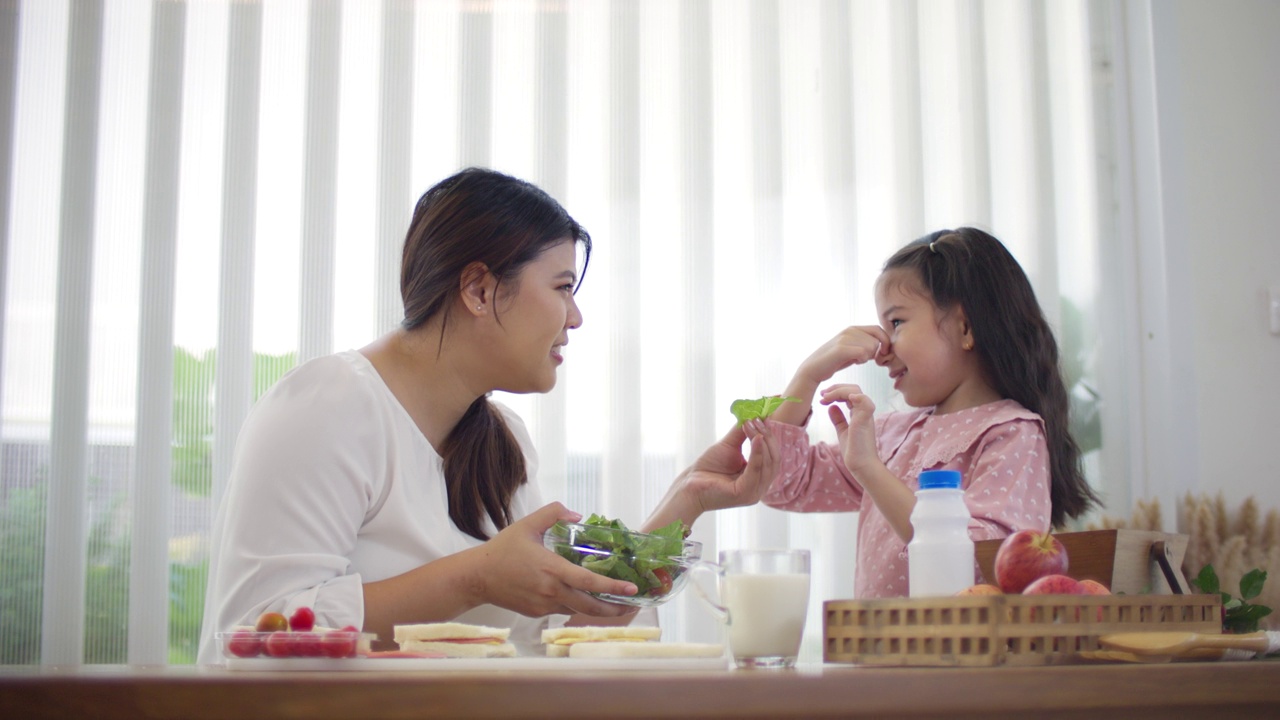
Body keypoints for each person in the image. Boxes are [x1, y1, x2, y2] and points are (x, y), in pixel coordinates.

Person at [197, 167, 776, 663]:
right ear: (478, 289)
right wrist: (475, 575)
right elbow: (256, 633)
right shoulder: (329, 406)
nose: (575, 318)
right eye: (561, 287)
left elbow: (564, 644)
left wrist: (688, 501)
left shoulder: (504, 443)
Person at [751, 227, 1100, 598]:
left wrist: (870, 470)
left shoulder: (1013, 435)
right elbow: (780, 484)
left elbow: (984, 563)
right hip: (876, 652)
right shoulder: (890, 436)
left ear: (965, 327)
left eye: (896, 323)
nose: (881, 350)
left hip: (959, 652)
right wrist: (809, 374)